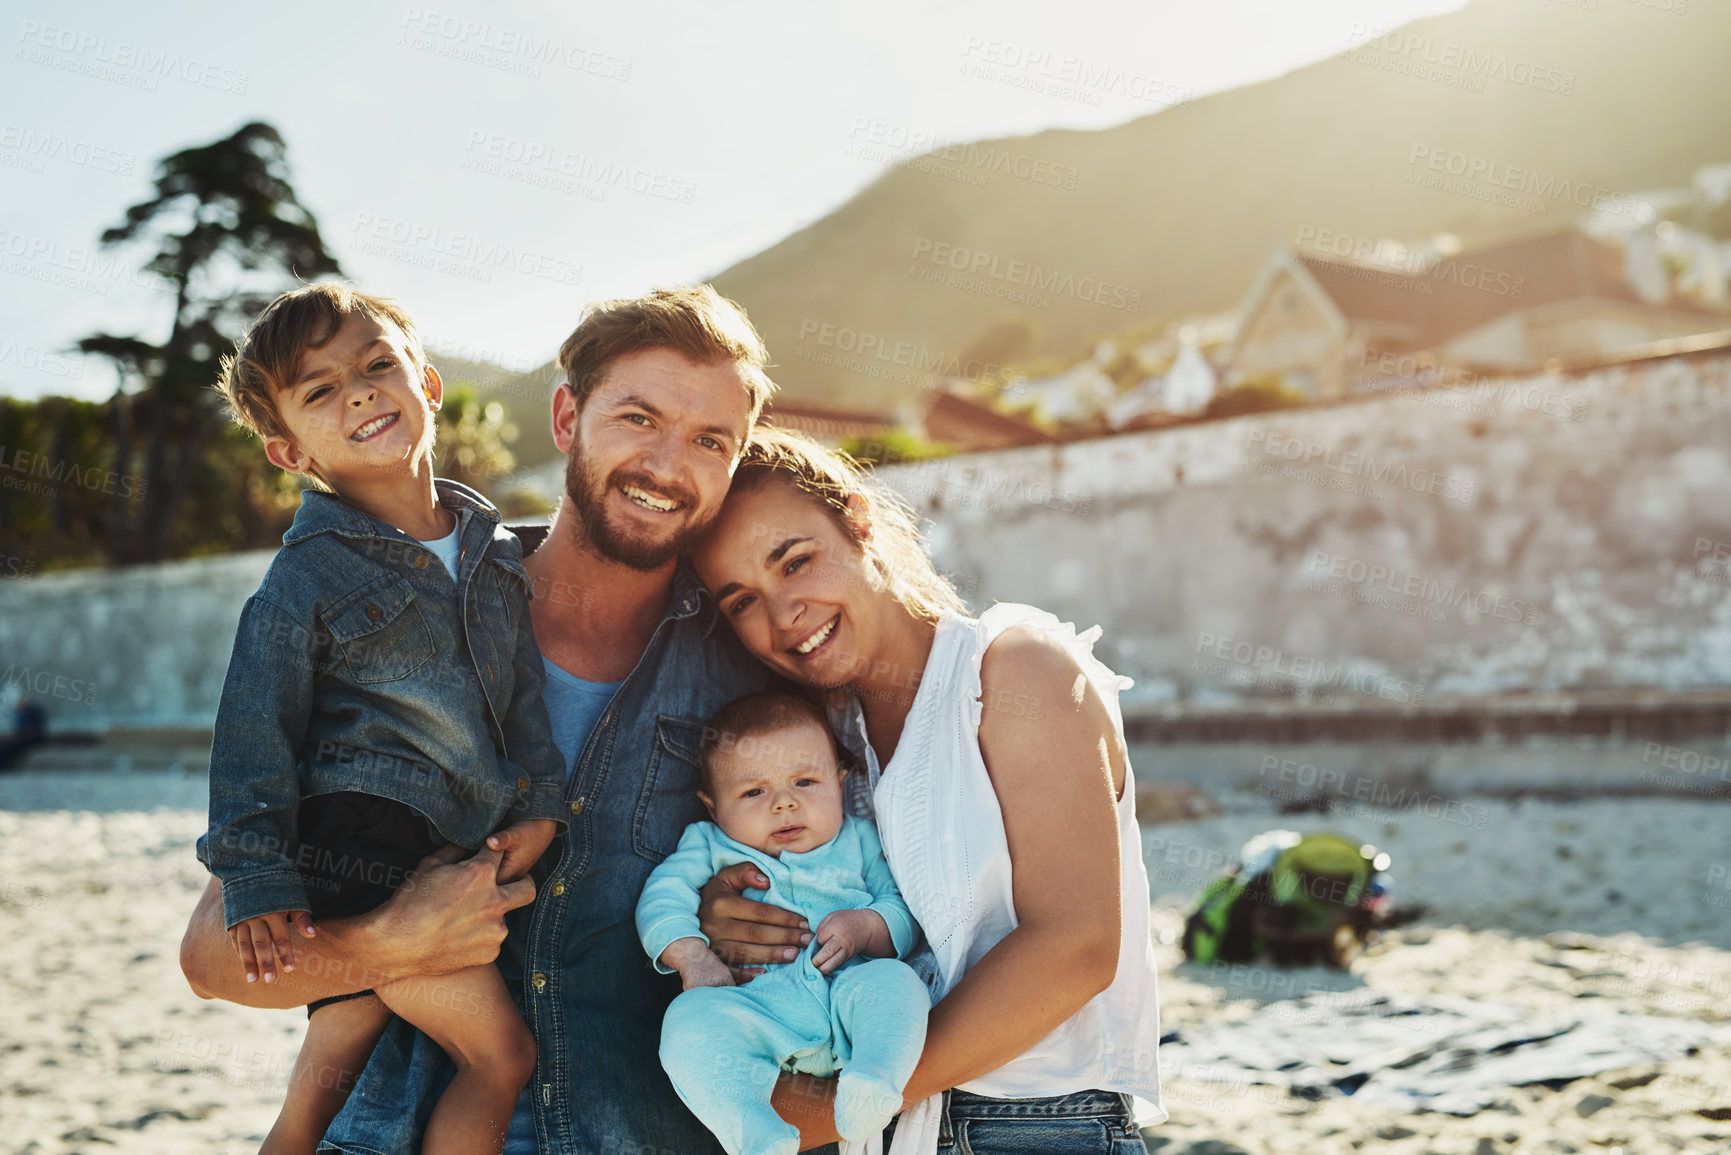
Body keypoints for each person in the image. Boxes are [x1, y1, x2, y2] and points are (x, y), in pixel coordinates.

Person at [179, 285, 804, 1155]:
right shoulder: (395, 605)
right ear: (565, 415)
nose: (667, 463)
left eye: (710, 440)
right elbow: (212, 957)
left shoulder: (756, 674)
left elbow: (834, 901)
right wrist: (383, 945)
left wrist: (748, 926)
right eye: (636, 418)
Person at [690, 427, 1165, 1154]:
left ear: (858, 521)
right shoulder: (822, 744)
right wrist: (734, 911)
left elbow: (1076, 944)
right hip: (887, 1136)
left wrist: (830, 1111)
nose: (783, 613)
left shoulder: (1011, 671)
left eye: (797, 561)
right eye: (742, 601)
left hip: (1033, 1125)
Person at [199, 282, 567, 1155]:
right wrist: (257, 881)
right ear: (289, 452)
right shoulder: (305, 580)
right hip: (361, 848)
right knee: (501, 1058)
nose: (359, 392)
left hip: (443, 837)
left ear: (428, 386)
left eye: (375, 366)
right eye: (320, 391)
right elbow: (254, 734)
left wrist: (542, 801)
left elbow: (517, 697)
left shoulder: (496, 552)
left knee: (323, 1080)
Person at [639, 692, 929, 1155]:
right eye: (754, 792)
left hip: (848, 994)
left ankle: (872, 1077)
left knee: (897, 983)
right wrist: (691, 955)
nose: (784, 804)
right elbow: (662, 895)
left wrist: (866, 927)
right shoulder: (708, 843)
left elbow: (900, 906)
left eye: (806, 782)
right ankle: (752, 1128)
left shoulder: (860, 838)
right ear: (712, 807)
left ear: (839, 782)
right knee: (687, 1023)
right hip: (759, 1010)